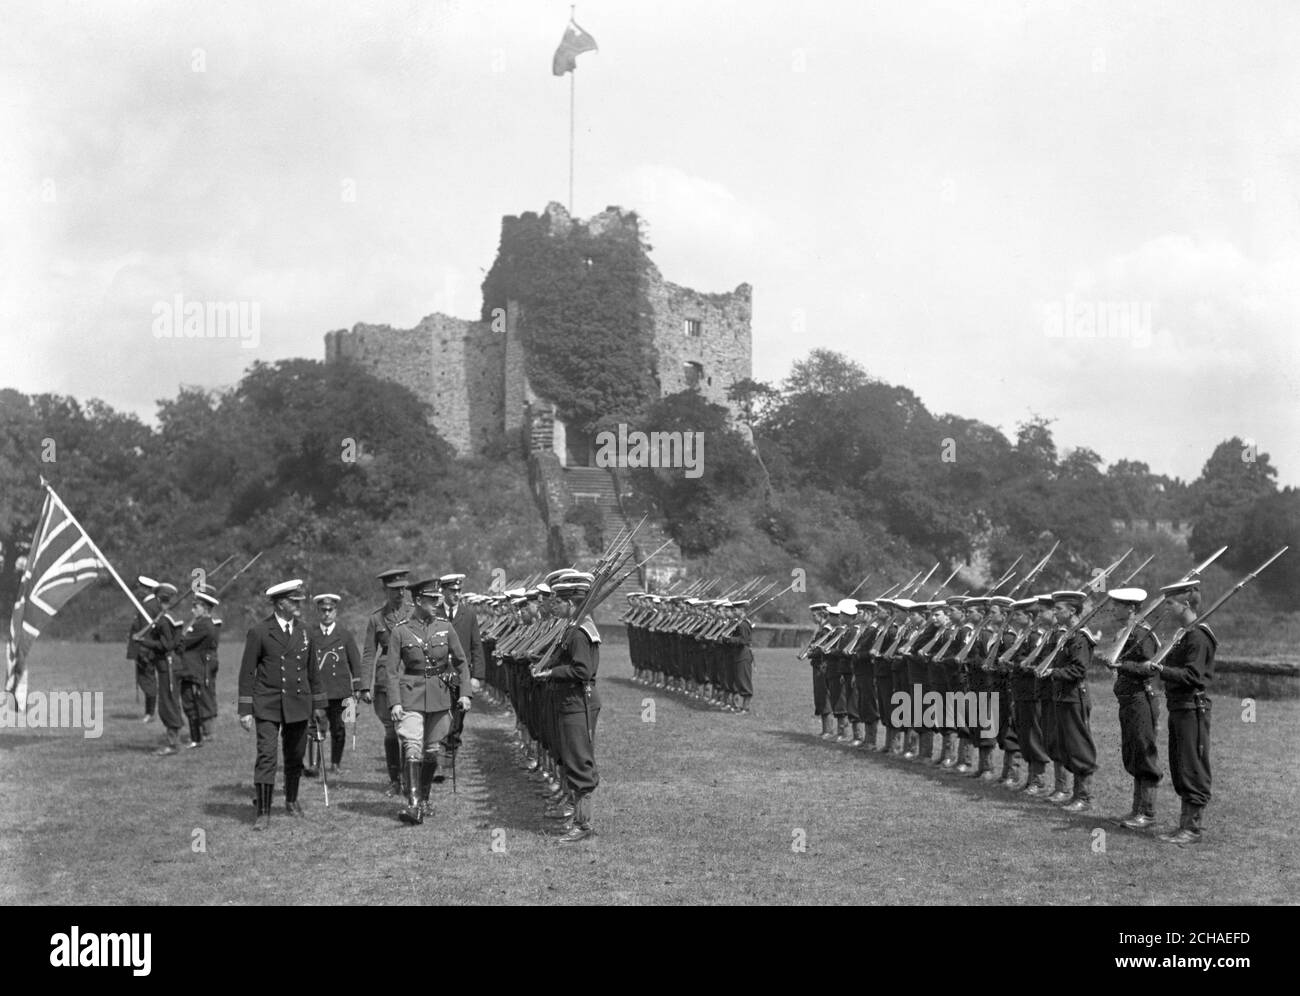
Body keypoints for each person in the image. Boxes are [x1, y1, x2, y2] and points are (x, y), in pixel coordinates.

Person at [238, 579, 325, 830]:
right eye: (293, 601)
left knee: (295, 756)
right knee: (266, 756)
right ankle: (263, 812)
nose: (299, 605)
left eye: (299, 601)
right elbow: (247, 674)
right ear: (279, 604)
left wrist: (318, 705)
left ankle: (291, 800)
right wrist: (245, 710)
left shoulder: (306, 630)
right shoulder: (259, 632)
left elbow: (313, 672)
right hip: (268, 704)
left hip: (298, 703)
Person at [388, 577, 470, 825]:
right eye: (432, 599)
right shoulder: (400, 630)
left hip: (439, 695)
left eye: (438, 599)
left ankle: (423, 799)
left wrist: (464, 692)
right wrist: (395, 702)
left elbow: (461, 662)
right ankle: (413, 806)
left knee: (432, 750)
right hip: (411, 695)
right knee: (412, 745)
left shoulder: (445, 627)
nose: (437, 602)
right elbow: (391, 671)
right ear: (417, 601)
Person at [533, 575, 601, 843]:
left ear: (572, 603)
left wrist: (551, 672)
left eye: (559, 601)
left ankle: (583, 825)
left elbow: (582, 670)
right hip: (569, 701)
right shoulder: (573, 627)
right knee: (571, 757)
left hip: (578, 702)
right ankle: (577, 817)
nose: (554, 605)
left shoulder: (580, 632)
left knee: (579, 760)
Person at [1150, 579, 1216, 845]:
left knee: (1192, 766)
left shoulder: (1199, 636)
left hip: (1192, 707)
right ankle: (1185, 825)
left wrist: (1161, 670)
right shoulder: (1183, 634)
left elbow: (1192, 675)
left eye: (1170, 603)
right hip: (1178, 706)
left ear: (1186, 603)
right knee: (1180, 765)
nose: (1166, 608)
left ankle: (1192, 828)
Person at [1104, 587, 1161, 830]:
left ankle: (1146, 812)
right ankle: (1137, 809)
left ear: (1130, 608)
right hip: (1128, 699)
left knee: (1143, 752)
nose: (1112, 608)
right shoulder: (1128, 632)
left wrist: (1121, 665)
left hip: (1141, 699)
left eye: (1117, 605)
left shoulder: (1141, 633)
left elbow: (1151, 667)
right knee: (1133, 752)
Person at [1042, 590, 1099, 813]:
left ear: (1072, 611)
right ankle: (1074, 793)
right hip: (1064, 696)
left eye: (1059, 609)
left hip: (1074, 696)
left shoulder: (1080, 637)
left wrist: (1053, 672)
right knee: (1066, 745)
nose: (1054, 612)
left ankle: (1083, 796)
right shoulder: (1067, 635)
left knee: (1078, 745)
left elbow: (1079, 668)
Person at [358, 568, 411, 796]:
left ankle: (411, 780)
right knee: (390, 731)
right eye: (395, 590)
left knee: (409, 731)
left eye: (403, 589)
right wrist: (364, 685)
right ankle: (394, 780)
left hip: (410, 677)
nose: (400, 593)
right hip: (384, 681)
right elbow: (369, 653)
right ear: (385, 590)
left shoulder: (414, 613)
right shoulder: (376, 618)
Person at [305, 593, 361, 777]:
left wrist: (358, 686)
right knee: (316, 728)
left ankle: (335, 763)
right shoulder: (310, 634)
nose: (327, 614)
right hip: (319, 691)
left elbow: (355, 662)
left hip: (340, 691)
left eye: (330, 610)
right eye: (323, 610)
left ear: (335, 611)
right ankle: (314, 765)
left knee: (338, 729)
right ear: (318, 611)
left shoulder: (344, 635)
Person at [436, 573, 485, 782]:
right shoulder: (435, 613)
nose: (456, 595)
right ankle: (440, 766)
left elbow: (476, 647)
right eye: (452, 591)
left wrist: (477, 677)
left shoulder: (469, 615)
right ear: (444, 592)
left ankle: (450, 754)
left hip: (460, 676)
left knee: (457, 722)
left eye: (458, 591)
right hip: (437, 676)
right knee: (439, 718)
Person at [135, 582, 186, 756]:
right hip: (172, 664)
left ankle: (172, 744)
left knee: (167, 704)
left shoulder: (165, 620)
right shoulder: (170, 617)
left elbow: (167, 645)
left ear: (159, 599)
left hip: (168, 665)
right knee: (171, 702)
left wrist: (144, 642)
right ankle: (174, 740)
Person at [175, 585, 220, 749]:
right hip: (189, 669)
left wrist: (177, 639)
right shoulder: (199, 623)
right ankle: (197, 737)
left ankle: (202, 736)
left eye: (196, 606)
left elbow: (182, 642)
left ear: (205, 608)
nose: (193, 609)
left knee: (196, 702)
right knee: (190, 703)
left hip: (195, 669)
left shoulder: (204, 625)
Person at [128, 576, 160, 722]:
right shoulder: (149, 604)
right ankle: (149, 711)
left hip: (146, 650)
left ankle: (150, 713)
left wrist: (144, 650)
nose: (137, 590)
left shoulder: (149, 606)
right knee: (145, 679)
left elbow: (148, 631)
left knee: (148, 680)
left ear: (146, 589)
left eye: (139, 587)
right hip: (144, 648)